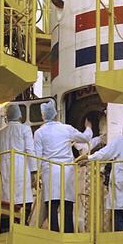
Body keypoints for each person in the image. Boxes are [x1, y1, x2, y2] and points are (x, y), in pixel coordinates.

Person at [33, 98, 92, 233]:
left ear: (43, 115)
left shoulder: (39, 133)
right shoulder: (66, 129)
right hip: (66, 170)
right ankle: (68, 234)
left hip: (49, 170)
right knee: (67, 204)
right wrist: (88, 127)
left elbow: (38, 156)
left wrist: (36, 175)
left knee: (52, 205)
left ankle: (54, 234)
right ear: (56, 114)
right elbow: (85, 138)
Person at [89, 119, 123, 231]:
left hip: (120, 180)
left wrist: (89, 158)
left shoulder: (119, 141)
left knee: (118, 212)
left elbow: (104, 153)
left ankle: (120, 236)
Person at [0, 102, 36, 229]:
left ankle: (6, 227)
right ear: (20, 115)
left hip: (4, 168)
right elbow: (30, 150)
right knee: (24, 199)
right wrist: (34, 171)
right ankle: (22, 226)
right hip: (21, 167)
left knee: (8, 200)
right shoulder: (24, 129)